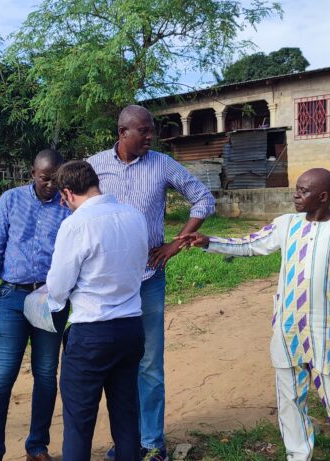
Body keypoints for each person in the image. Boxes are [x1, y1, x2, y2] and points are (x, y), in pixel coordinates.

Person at [184, 168, 330, 461]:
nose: (295, 195)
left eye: (303, 190)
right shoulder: (286, 225)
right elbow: (250, 245)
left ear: (323, 197)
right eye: (296, 189)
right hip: (288, 331)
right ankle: (298, 454)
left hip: (329, 332)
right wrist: (210, 242)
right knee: (290, 400)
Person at [88, 105, 215, 461]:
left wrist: (177, 242)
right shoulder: (94, 166)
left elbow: (204, 198)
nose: (149, 137)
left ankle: (152, 443)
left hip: (147, 280)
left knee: (148, 364)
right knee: (114, 365)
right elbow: (72, 206)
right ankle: (126, 442)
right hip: (105, 284)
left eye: (151, 131)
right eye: (142, 131)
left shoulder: (161, 164)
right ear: (122, 131)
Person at [45, 160, 149, 461]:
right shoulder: (134, 216)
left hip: (92, 330)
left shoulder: (76, 224)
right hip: (131, 327)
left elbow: (59, 287)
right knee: (126, 416)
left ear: (67, 193)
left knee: (79, 422)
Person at [0, 149, 71, 461]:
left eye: (56, 180)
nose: (50, 185)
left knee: (46, 374)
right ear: (33, 173)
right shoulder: (11, 200)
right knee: (2, 376)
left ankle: (37, 446)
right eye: (45, 179)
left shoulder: (68, 206)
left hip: (50, 298)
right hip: (12, 298)